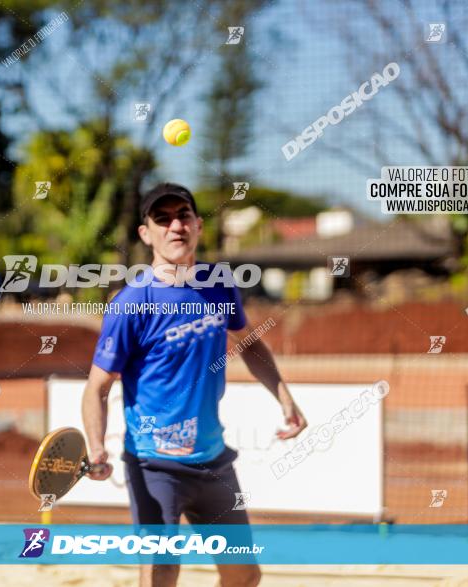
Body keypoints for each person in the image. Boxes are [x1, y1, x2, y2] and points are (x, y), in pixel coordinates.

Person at [82, 183, 308, 587]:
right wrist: (97, 447)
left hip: (212, 461)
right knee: (161, 571)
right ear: (145, 233)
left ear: (198, 225)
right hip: (153, 464)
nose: (175, 226)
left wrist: (284, 397)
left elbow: (251, 345)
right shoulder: (131, 303)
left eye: (183, 215)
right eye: (162, 219)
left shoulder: (219, 286)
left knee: (244, 575)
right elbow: (97, 388)